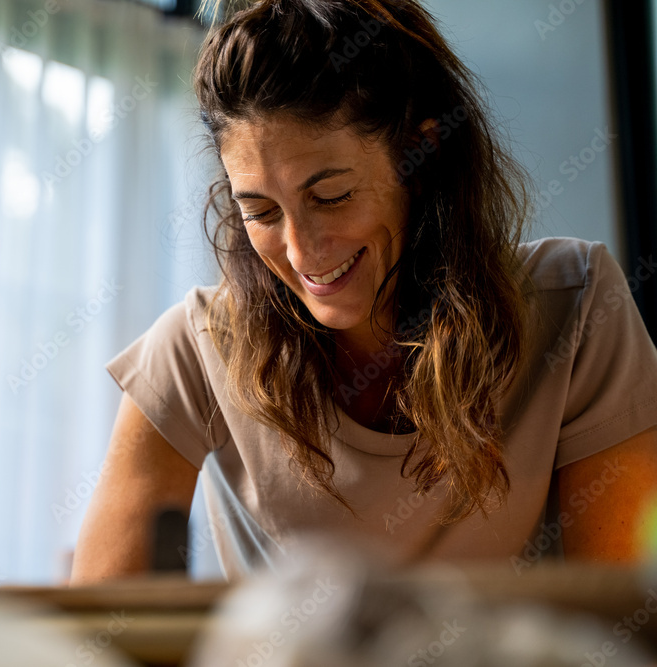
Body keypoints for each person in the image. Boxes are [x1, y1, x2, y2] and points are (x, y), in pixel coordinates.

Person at [69, 0, 657, 583]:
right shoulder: (195, 350)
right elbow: (100, 622)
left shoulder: (576, 306)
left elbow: (624, 612)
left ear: (420, 158)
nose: (302, 254)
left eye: (332, 197)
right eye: (262, 212)